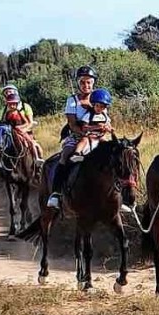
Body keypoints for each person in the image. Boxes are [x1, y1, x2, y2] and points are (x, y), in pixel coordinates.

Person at [47, 65, 98, 210]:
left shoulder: (99, 98)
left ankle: (121, 196)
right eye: (82, 82)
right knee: (65, 155)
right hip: (76, 136)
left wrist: (101, 132)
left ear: (93, 83)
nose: (86, 85)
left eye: (89, 82)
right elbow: (72, 124)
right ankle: (56, 193)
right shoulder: (72, 100)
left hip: (96, 137)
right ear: (78, 83)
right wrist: (84, 134)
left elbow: (104, 119)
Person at [70, 88, 113, 162]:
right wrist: (96, 127)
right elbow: (84, 127)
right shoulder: (89, 115)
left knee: (107, 144)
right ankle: (76, 154)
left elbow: (109, 126)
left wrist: (109, 129)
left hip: (100, 136)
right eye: (97, 106)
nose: (99, 108)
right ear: (93, 105)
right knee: (84, 140)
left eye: (102, 107)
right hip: (89, 136)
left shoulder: (105, 116)